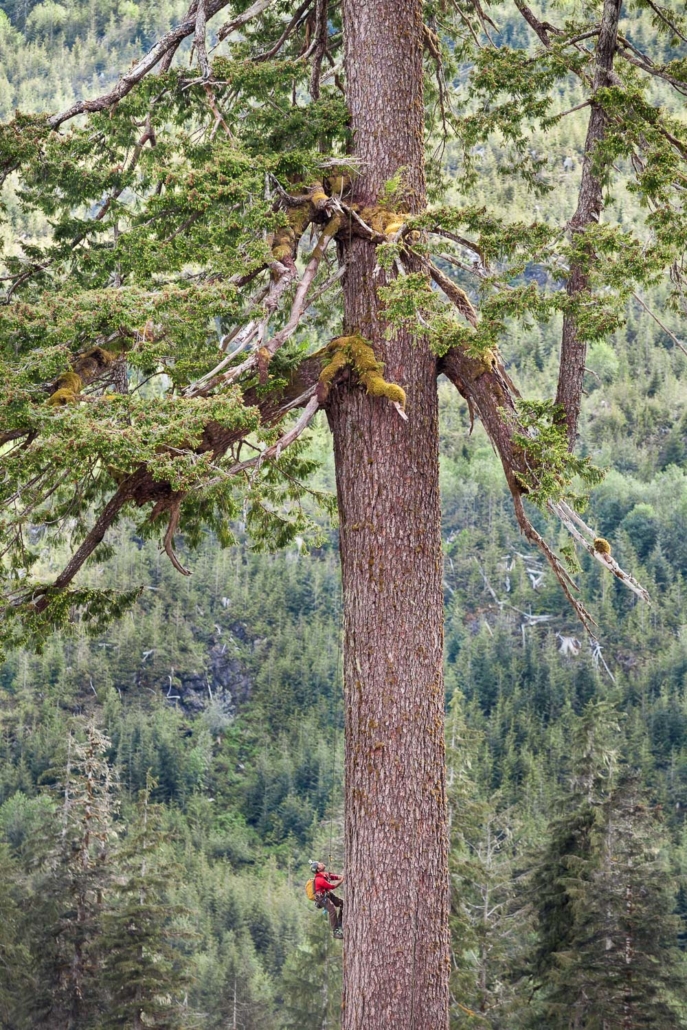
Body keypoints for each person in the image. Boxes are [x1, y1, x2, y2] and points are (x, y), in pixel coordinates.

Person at [311, 861, 344, 938]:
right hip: (321, 898)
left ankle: (340, 923)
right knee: (332, 910)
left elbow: (334, 877)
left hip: (327, 895)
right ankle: (335, 932)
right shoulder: (319, 879)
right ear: (318, 869)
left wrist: (341, 877)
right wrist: (342, 880)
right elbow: (332, 886)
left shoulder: (324, 875)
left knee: (342, 903)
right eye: (320, 864)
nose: (322, 863)